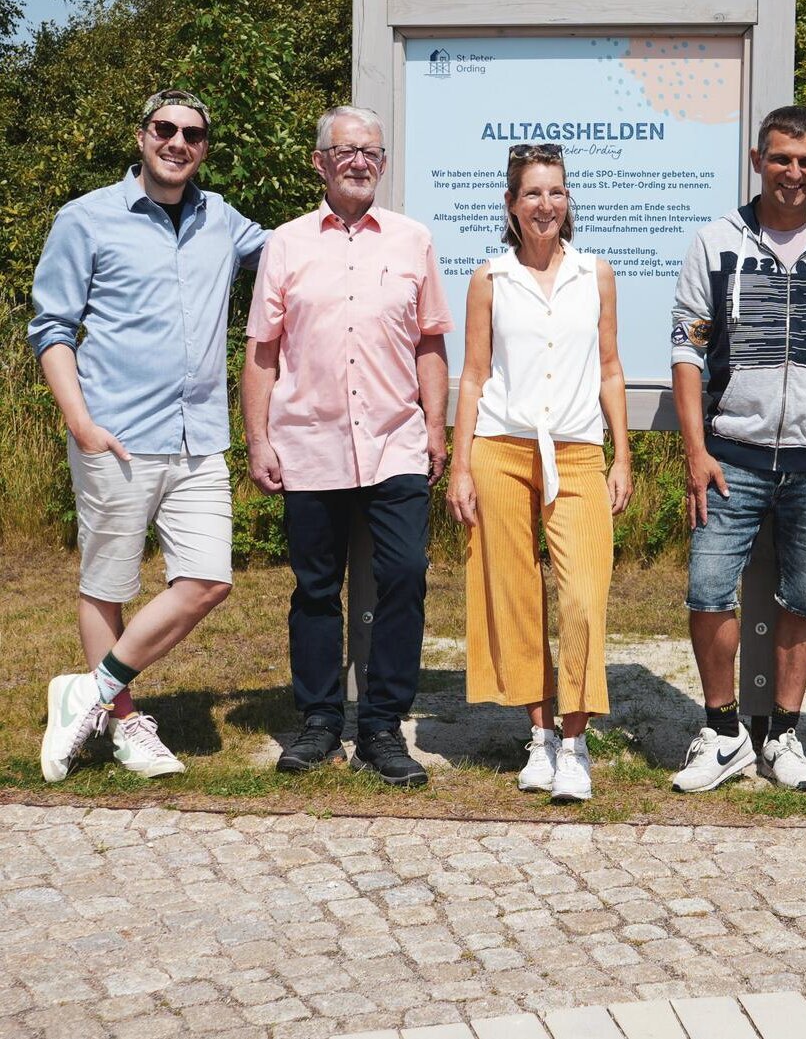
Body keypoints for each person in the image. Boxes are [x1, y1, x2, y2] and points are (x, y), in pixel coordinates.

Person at [30, 88, 265, 782]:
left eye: (192, 134)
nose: (178, 143)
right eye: (165, 129)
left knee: (208, 580)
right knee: (107, 583)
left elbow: (291, 256)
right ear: (141, 136)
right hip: (116, 435)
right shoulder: (86, 218)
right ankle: (126, 722)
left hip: (199, 441)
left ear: (204, 148)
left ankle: (88, 693)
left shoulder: (221, 218)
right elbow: (51, 329)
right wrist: (82, 423)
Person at [242, 105, 452, 787]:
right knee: (314, 588)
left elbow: (430, 343)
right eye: (346, 150)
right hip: (308, 441)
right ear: (320, 163)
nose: (360, 161)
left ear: (382, 163)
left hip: (396, 441)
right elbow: (262, 351)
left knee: (404, 575)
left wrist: (437, 429)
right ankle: (319, 722)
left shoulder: (413, 239)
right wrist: (257, 437)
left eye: (372, 151)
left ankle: (384, 727)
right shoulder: (287, 242)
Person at [669, 105, 806, 793]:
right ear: (757, 161)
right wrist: (696, 450)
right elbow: (686, 353)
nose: (792, 171)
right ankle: (722, 731)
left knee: (804, 598)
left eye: (805, 160)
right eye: (780, 158)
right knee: (705, 589)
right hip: (733, 453)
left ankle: (783, 732)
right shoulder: (714, 240)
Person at [447, 142, 631, 804]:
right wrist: (459, 464)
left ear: (567, 200)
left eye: (555, 192)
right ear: (510, 203)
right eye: (532, 193)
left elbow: (611, 368)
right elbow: (470, 375)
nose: (545, 204)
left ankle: (577, 743)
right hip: (499, 445)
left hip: (577, 450)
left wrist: (622, 455)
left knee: (582, 596)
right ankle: (538, 737)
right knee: (513, 592)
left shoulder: (595, 274)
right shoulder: (488, 280)